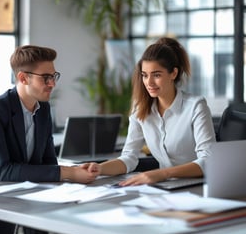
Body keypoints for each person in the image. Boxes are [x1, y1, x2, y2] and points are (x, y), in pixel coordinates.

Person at [0, 45, 98, 234]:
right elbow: (2, 172)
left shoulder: (43, 109)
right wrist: (68, 172)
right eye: (46, 78)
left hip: (32, 195)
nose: (52, 83)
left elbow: (49, 163)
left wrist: (75, 173)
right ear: (22, 78)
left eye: (54, 76)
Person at [82, 37, 216, 186]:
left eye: (156, 75)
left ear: (173, 73)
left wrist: (163, 173)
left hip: (198, 187)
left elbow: (208, 160)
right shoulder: (140, 108)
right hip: (165, 187)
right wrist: (99, 168)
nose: (149, 82)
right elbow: (129, 157)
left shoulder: (196, 106)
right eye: (145, 75)